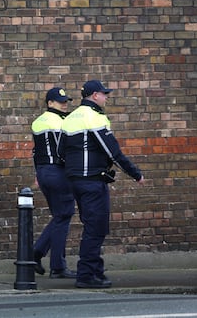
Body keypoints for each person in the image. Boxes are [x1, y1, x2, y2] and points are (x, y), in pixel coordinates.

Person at [59, 80, 145, 289]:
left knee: (92, 226)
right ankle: (87, 275)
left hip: (75, 180)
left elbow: (61, 153)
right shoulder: (94, 117)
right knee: (96, 228)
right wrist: (136, 174)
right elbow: (112, 151)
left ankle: (95, 271)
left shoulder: (70, 118)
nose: (106, 97)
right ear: (95, 95)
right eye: (104, 94)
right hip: (92, 181)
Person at [31, 87, 76, 279]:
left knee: (60, 215)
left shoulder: (38, 122)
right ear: (50, 103)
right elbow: (64, 152)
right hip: (58, 172)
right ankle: (55, 265)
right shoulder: (62, 122)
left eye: (65, 101)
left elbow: (36, 151)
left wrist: (37, 173)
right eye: (60, 101)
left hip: (43, 172)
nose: (64, 104)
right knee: (64, 214)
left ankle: (37, 254)